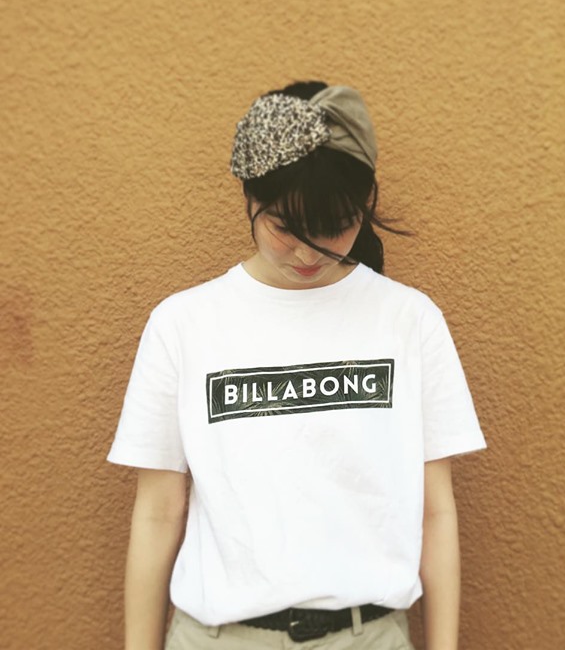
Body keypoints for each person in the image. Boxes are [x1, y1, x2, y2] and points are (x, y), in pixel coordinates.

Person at [107, 80, 486, 650]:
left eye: (335, 226)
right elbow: (158, 513)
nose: (308, 253)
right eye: (285, 227)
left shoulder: (410, 321)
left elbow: (436, 512)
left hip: (367, 636)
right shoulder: (183, 324)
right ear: (249, 199)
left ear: (365, 206)